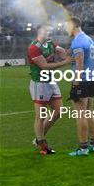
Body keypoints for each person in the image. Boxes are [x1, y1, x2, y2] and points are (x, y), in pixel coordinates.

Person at [27, 23, 71, 155]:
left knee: (58, 111)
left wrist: (71, 52)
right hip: (39, 83)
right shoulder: (33, 48)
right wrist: (65, 62)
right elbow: (44, 66)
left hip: (50, 81)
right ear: (40, 31)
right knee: (40, 116)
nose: (51, 32)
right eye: (48, 30)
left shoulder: (51, 43)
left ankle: (38, 138)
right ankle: (42, 145)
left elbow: (63, 53)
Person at [67, 17, 94, 156]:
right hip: (92, 78)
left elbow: (79, 64)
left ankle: (83, 148)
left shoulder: (77, 41)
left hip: (82, 80)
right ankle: (93, 144)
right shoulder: (89, 39)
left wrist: (75, 83)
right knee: (89, 111)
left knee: (80, 114)